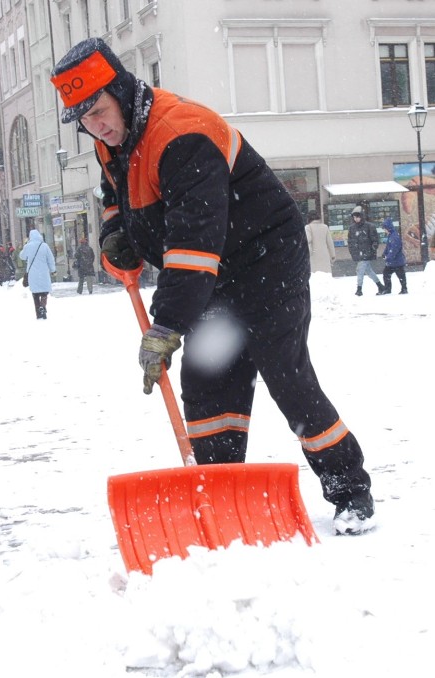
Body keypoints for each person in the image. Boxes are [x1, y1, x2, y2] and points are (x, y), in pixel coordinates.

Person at [51, 37, 374, 534]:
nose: (95, 125)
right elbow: (114, 192)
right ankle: (221, 492)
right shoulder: (111, 139)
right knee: (207, 379)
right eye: (84, 119)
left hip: (263, 258)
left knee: (283, 371)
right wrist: (116, 229)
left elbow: (193, 245)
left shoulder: (182, 133)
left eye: (98, 110)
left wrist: (166, 326)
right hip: (208, 274)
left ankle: (351, 491)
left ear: (119, 90)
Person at [347, 205, 386, 296]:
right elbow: (350, 241)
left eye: (357, 217)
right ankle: (380, 286)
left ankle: (359, 289)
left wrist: (372, 249)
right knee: (368, 271)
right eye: (354, 217)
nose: (355, 219)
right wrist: (352, 251)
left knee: (359, 270)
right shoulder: (352, 228)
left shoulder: (369, 226)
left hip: (366, 252)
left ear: (361, 216)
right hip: (359, 253)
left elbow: (375, 240)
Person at [19, 229, 56, 319]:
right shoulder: (44, 246)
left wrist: (25, 246)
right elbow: (50, 259)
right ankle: (43, 306)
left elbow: (22, 256)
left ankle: (38, 313)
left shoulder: (28, 246)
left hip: (33, 274)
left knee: (35, 294)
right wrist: (53, 270)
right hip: (43, 273)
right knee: (44, 292)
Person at [381, 217, 408, 294]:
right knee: (388, 274)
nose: (384, 230)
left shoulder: (394, 237)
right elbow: (388, 247)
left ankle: (403, 289)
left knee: (399, 276)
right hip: (394, 262)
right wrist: (385, 253)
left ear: (388, 228)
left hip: (396, 261)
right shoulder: (391, 235)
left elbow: (394, 249)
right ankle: (390, 289)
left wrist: (388, 257)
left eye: (385, 228)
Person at [304, 211, 335, 275]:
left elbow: (308, 239)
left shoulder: (308, 227)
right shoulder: (325, 227)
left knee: (315, 277)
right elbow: (330, 243)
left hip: (314, 255)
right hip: (324, 255)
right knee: (325, 277)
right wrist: (332, 255)